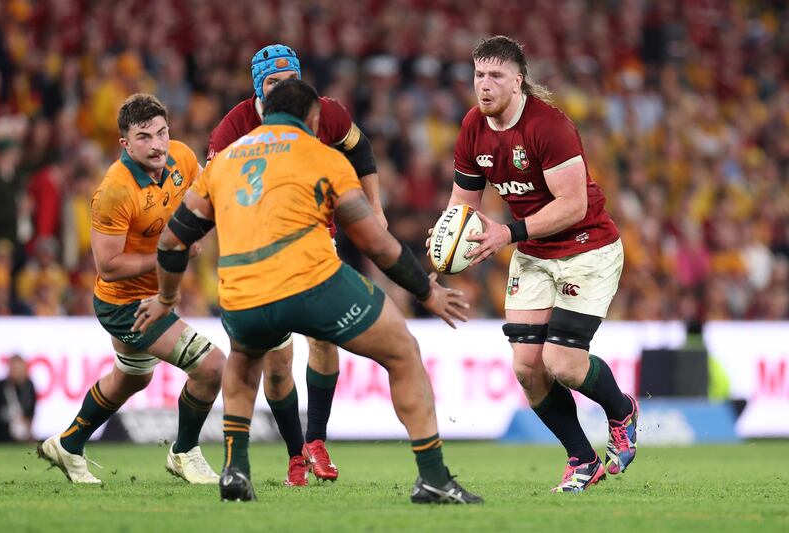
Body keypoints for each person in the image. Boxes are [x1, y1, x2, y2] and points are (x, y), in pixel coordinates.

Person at [134, 79, 482, 504]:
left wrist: (166, 299)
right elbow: (375, 243)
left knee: (244, 358)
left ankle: (235, 469)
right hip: (312, 283)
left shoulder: (224, 162)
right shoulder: (324, 157)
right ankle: (432, 476)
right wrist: (425, 292)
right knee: (402, 350)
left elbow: (172, 241)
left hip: (244, 293)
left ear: (265, 113)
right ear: (313, 118)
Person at [444, 36, 638, 493]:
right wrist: (447, 240)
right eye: (479, 75)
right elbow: (463, 204)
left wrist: (507, 233)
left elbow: (572, 205)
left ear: (518, 81)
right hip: (534, 253)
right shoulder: (473, 126)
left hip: (586, 248)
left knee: (563, 363)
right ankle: (582, 460)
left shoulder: (548, 126)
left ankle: (621, 410)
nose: (484, 85)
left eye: (495, 76)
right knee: (528, 368)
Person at [206, 44, 387, 485]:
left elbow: (360, 148)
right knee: (277, 362)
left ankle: (316, 440)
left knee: (324, 339)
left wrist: (376, 208)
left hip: (314, 237)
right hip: (259, 247)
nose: (283, 90)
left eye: (290, 81)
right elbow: (211, 195)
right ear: (258, 87)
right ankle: (294, 455)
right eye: (273, 82)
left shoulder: (326, 112)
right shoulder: (232, 129)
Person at [37, 94, 225, 485]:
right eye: (144, 137)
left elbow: (204, 198)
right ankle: (184, 452)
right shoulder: (115, 190)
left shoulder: (181, 157)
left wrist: (197, 230)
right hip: (124, 304)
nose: (157, 145)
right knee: (211, 367)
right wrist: (169, 254)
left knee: (133, 378)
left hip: (156, 295)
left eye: (162, 133)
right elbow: (107, 266)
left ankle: (68, 444)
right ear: (125, 143)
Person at [0, 355, 36, 442]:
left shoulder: (28, 387)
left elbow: (31, 412)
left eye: (18, 369)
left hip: (21, 435)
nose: (16, 372)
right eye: (14, 369)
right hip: (0, 435)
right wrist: (2, 414)